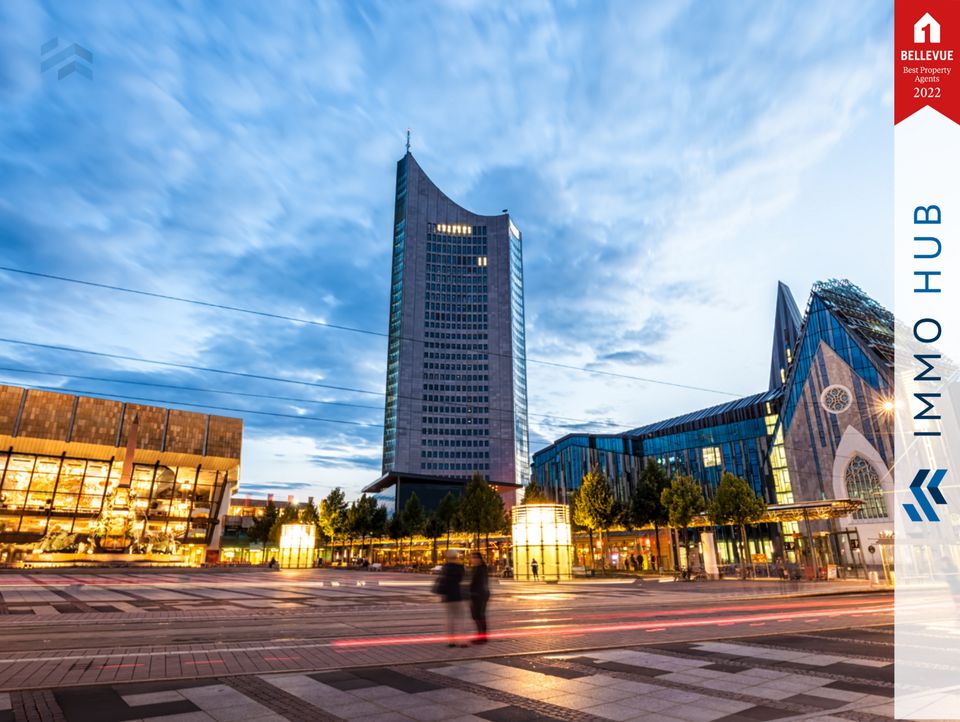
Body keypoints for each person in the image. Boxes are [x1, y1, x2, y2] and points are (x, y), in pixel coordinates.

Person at [434, 549, 466, 647]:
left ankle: (451, 641)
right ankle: (462, 641)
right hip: (458, 594)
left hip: (448, 595)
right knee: (460, 618)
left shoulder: (445, 567)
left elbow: (441, 580)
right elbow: (463, 579)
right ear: (457, 556)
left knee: (450, 618)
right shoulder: (460, 567)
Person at [469, 551, 490, 644]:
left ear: (479, 559)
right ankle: (480, 635)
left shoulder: (481, 569)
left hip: (480, 595)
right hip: (475, 595)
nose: (472, 560)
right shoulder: (475, 568)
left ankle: (483, 637)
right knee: (476, 616)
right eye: (472, 558)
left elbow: (479, 583)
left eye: (474, 558)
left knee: (479, 615)